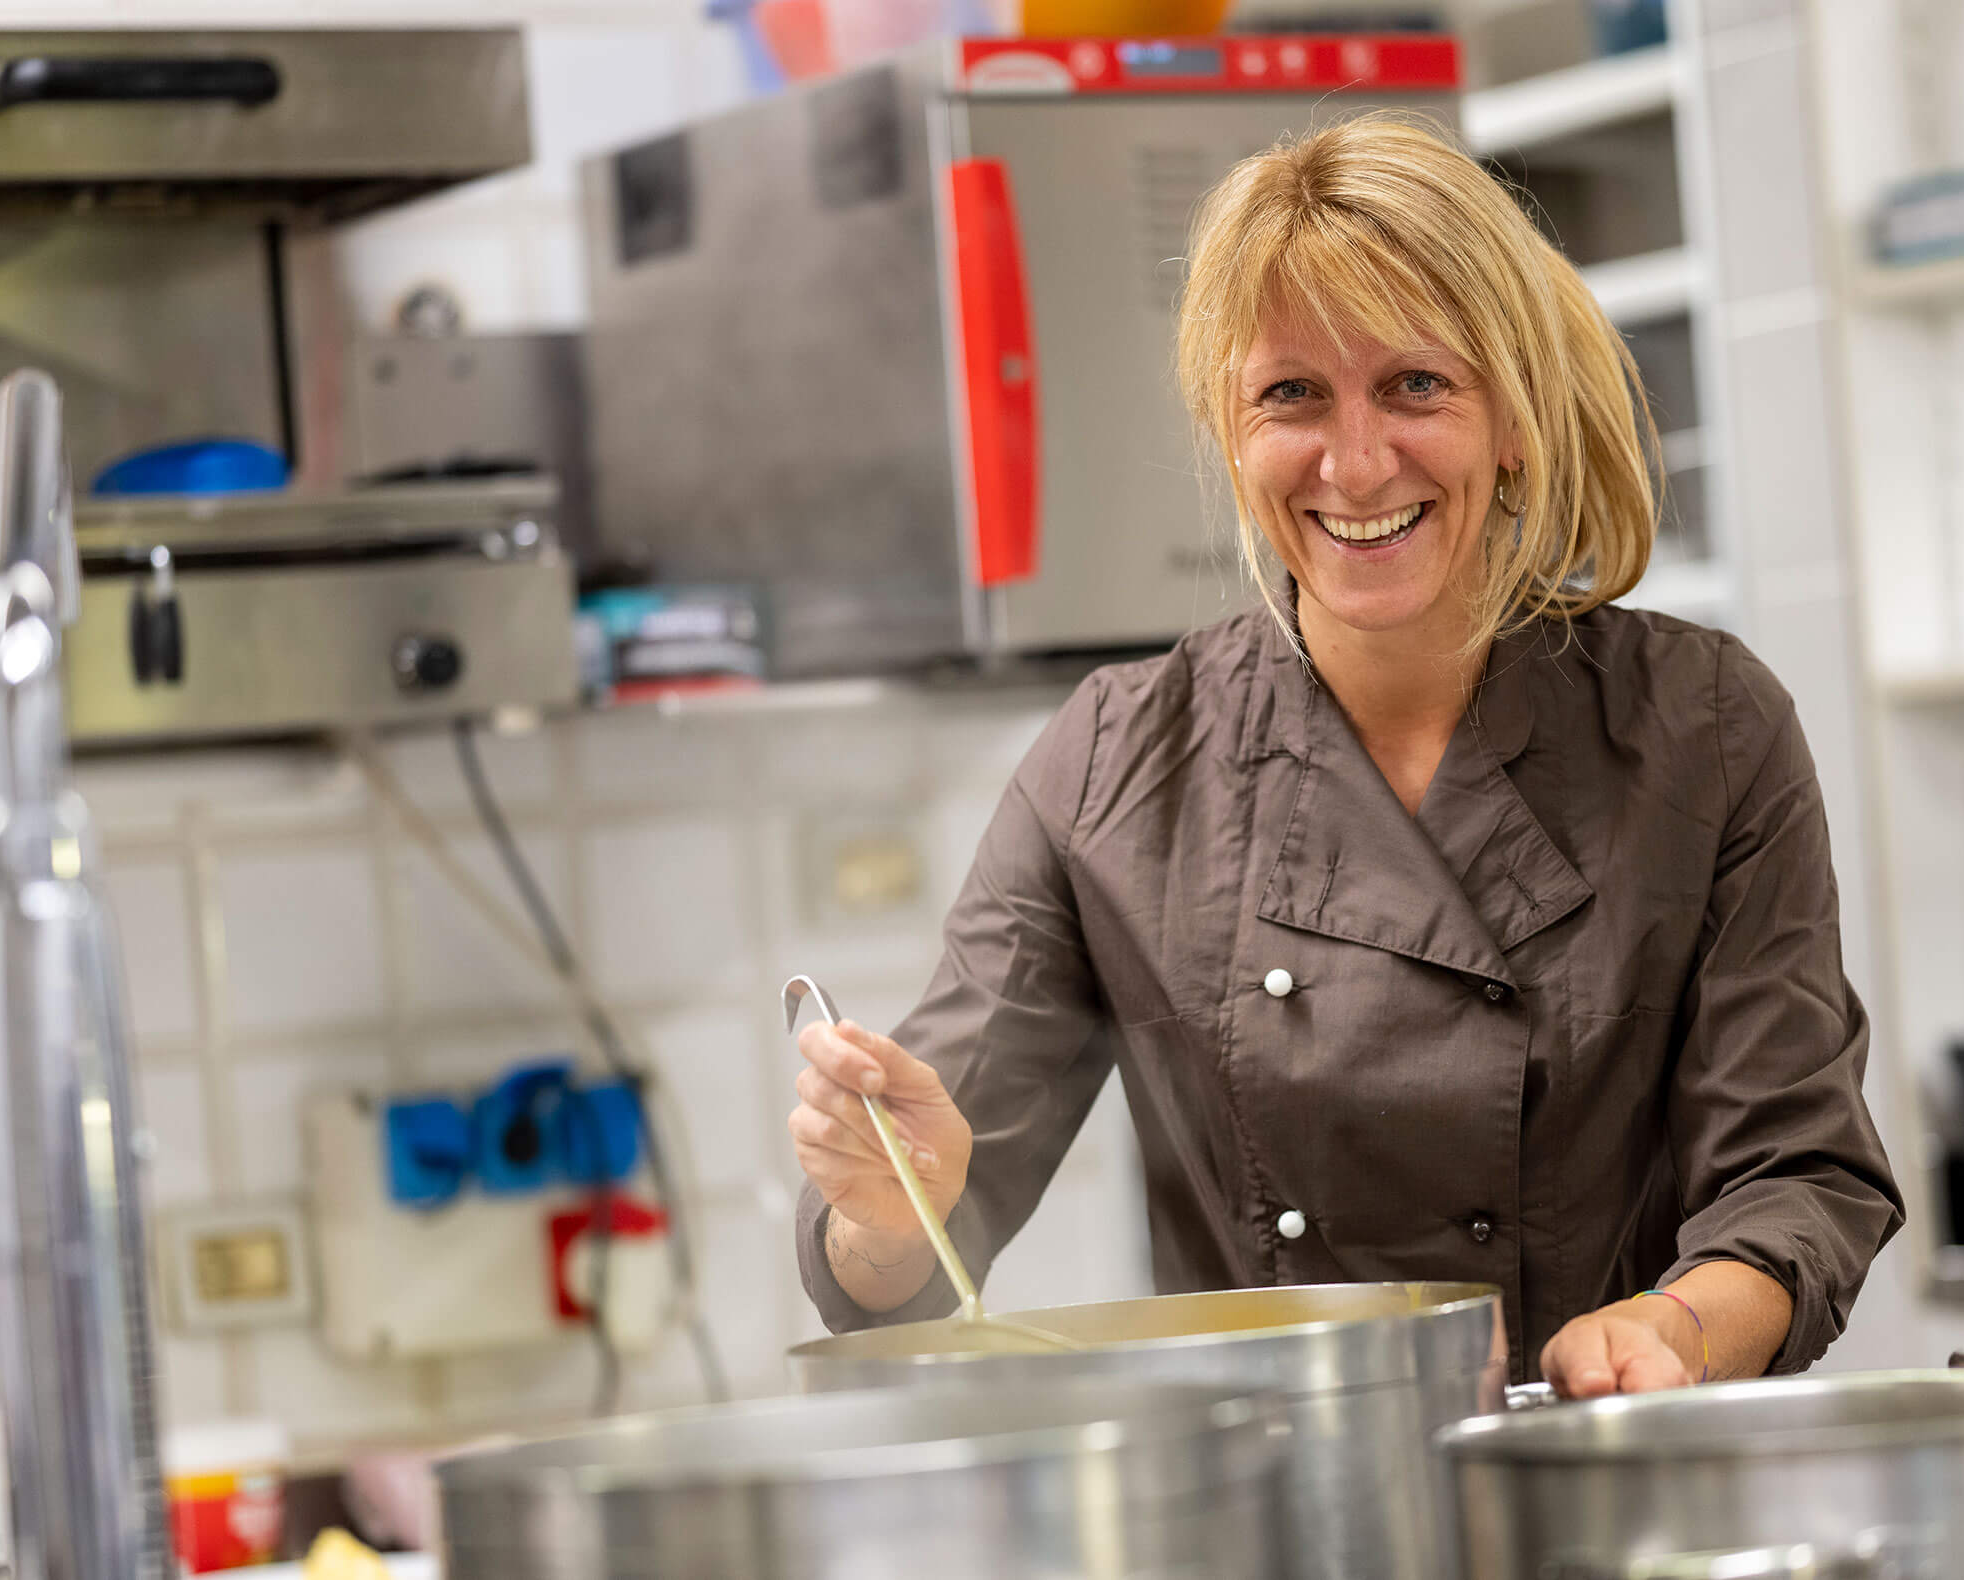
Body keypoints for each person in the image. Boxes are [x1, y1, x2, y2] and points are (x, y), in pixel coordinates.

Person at [788, 113, 1902, 1394]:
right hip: (1280, 1504)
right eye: (1292, 394)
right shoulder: (1113, 764)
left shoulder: (1700, 726)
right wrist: (886, 1206)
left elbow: (1798, 1171)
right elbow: (916, 1249)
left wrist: (1680, 1327)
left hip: (1616, 1473)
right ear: (1231, 431)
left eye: (1417, 384)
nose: (1355, 460)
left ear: (1515, 418)